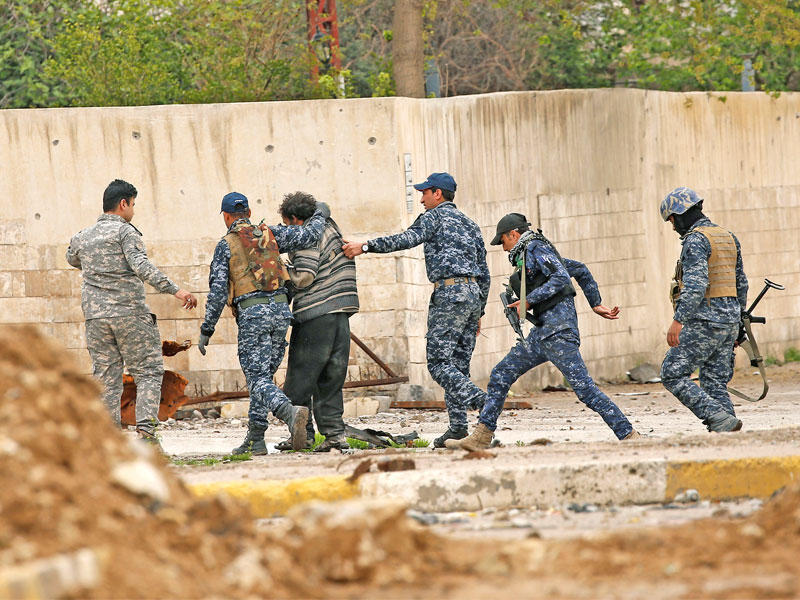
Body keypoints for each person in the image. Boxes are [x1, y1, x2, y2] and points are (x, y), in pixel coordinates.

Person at [447, 213, 639, 450]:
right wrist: (595, 303)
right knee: (501, 374)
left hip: (558, 333)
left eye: (504, 242)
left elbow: (560, 277)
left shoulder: (536, 248)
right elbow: (578, 269)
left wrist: (528, 301)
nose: (504, 249)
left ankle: (629, 435)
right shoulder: (530, 254)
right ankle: (481, 437)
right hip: (542, 334)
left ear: (513, 235)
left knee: (585, 389)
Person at [342, 172, 490, 448]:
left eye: (425, 193)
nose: (421, 199)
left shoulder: (433, 217)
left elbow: (406, 239)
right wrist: (479, 310)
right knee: (458, 366)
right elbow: (484, 270)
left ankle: (484, 403)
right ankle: (458, 429)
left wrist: (364, 246)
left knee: (437, 364)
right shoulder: (470, 224)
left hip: (449, 294)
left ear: (438, 194)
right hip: (472, 295)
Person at [66, 179, 197, 444]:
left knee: (105, 378)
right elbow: (141, 266)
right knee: (148, 372)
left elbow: (72, 258)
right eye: (133, 204)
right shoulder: (126, 233)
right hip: (129, 315)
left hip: (96, 319)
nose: (134, 210)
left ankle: (109, 443)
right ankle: (147, 437)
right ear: (123, 203)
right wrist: (176, 290)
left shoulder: (82, 236)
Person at [197, 191, 330, 454]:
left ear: (226, 217)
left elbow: (217, 292)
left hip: (253, 316)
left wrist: (206, 329)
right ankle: (256, 438)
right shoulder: (270, 233)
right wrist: (319, 214)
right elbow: (309, 235)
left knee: (256, 378)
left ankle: (289, 413)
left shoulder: (226, 244)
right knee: (264, 379)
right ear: (248, 213)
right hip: (281, 313)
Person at [275, 192, 359, 452]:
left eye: (288, 224)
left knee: (301, 378)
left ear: (294, 220)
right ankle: (335, 436)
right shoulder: (330, 226)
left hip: (316, 313)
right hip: (340, 312)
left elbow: (304, 277)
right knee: (330, 378)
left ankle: (303, 436)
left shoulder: (307, 237)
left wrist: (281, 269)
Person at [659, 187, 748, 432]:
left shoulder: (696, 239)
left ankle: (716, 418)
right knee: (713, 381)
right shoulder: (727, 235)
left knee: (672, 373)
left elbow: (697, 285)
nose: (673, 227)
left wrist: (678, 321)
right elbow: (741, 283)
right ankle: (727, 432)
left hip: (705, 321)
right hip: (729, 322)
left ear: (680, 215)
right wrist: (739, 324)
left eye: (672, 220)